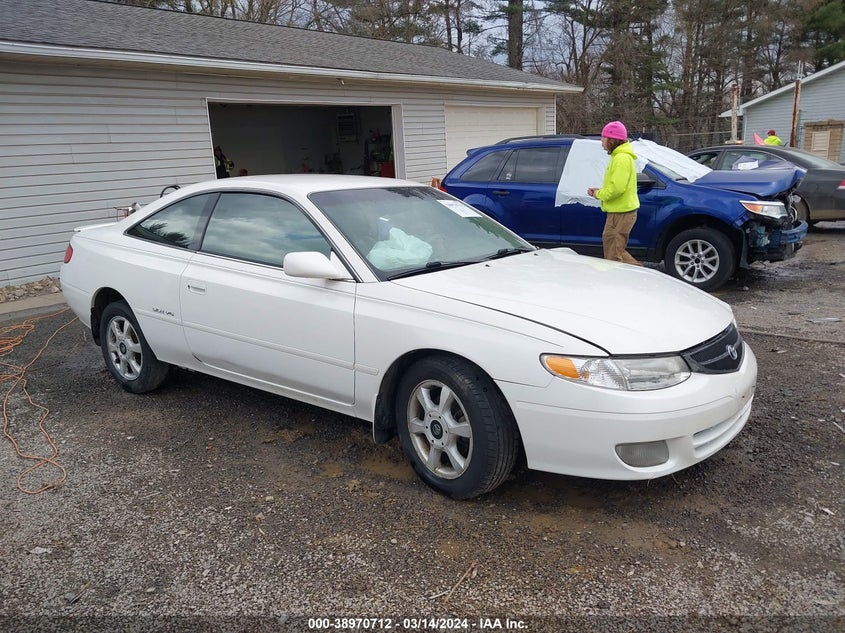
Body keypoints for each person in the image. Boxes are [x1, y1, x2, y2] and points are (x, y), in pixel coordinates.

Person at [586, 120, 640, 265]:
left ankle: (634, 276)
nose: (601, 141)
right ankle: (642, 273)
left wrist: (598, 194)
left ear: (612, 139)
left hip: (621, 214)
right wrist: (600, 191)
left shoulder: (621, 158)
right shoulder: (619, 156)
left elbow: (617, 188)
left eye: (603, 137)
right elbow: (616, 186)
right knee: (615, 250)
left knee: (613, 255)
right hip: (619, 212)